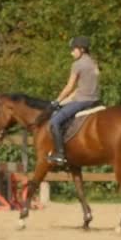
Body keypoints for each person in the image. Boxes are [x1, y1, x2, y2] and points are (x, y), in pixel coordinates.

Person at [47, 36, 100, 165]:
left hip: (82, 101)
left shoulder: (77, 64)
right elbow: (80, 89)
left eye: (73, 49)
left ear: (81, 49)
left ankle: (60, 154)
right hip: (95, 100)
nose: (71, 53)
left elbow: (70, 87)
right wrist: (62, 102)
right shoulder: (94, 63)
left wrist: (57, 101)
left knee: (54, 121)